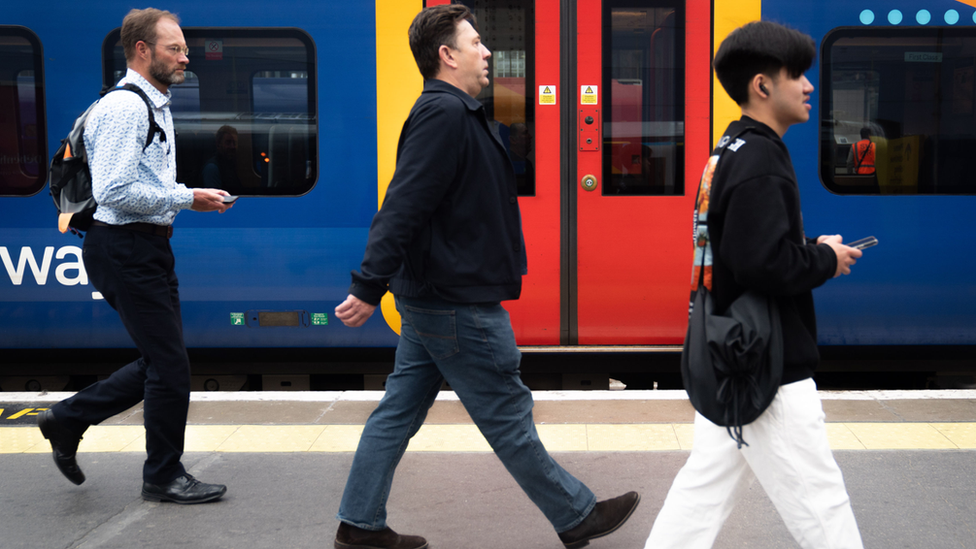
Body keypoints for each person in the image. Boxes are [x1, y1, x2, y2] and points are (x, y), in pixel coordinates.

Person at [332, 5, 639, 549]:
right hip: (456, 301)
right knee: (507, 413)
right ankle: (576, 515)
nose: (488, 52)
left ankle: (359, 524)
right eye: (476, 42)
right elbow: (403, 205)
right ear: (447, 55)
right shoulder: (443, 116)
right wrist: (367, 284)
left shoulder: (454, 113)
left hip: (436, 297)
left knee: (398, 412)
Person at [643, 21, 864, 549]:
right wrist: (824, 260)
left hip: (732, 351)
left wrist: (810, 246)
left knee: (702, 494)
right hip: (768, 363)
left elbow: (738, 247)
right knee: (822, 504)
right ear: (763, 86)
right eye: (797, 76)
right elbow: (763, 264)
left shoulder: (729, 150)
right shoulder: (764, 157)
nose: (809, 86)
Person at [37, 8, 232, 505]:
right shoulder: (127, 108)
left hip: (145, 247)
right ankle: (162, 475)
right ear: (142, 51)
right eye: (175, 48)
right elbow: (115, 191)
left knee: (162, 361)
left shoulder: (155, 103)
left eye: (184, 47)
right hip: (123, 248)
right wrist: (189, 196)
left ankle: (67, 419)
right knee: (170, 366)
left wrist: (180, 198)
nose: (185, 56)